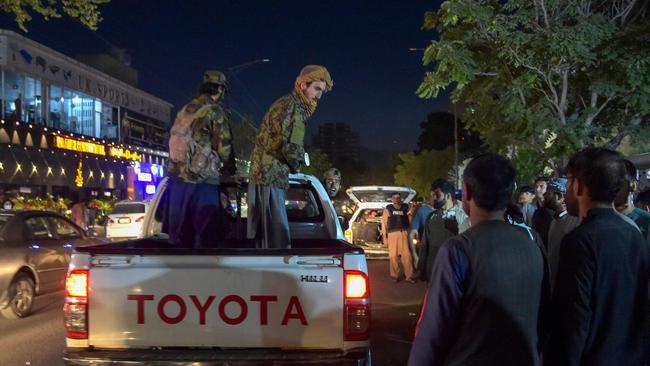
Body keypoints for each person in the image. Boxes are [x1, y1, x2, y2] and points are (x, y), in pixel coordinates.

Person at [409, 154, 548, 366]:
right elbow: (544, 319)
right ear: (510, 193)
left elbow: (432, 333)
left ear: (467, 192)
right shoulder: (532, 245)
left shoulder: (458, 250)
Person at [544, 148, 650, 366]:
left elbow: (574, 320)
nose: (566, 190)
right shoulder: (633, 234)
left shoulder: (580, 240)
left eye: (569, 181)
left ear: (580, 185)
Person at [248, 65, 333, 248]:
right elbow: (291, 148)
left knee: (266, 238)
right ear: (303, 85)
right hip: (270, 177)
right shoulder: (294, 107)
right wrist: (297, 166)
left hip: (266, 175)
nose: (318, 96)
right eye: (317, 89)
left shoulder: (287, 104)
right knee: (276, 238)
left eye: (322, 92)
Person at [163, 70, 236, 248]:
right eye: (223, 91)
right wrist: (229, 171)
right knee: (206, 236)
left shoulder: (185, 110)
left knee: (180, 236)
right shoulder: (215, 111)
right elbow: (224, 146)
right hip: (203, 182)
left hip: (178, 182)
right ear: (219, 88)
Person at [416, 178, 467, 282]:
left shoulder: (461, 216)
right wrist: (421, 268)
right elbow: (425, 243)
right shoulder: (431, 216)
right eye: (432, 195)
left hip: (452, 274)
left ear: (448, 196)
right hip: (432, 272)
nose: (433, 198)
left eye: (437, 195)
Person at [543, 177, 580, 290]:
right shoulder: (554, 221)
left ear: (559, 196)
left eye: (548, 192)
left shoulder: (574, 221)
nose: (544, 195)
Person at [381, 192, 416, 283]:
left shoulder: (405, 207)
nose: (396, 199)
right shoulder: (388, 208)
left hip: (404, 233)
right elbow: (384, 223)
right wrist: (384, 237)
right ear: (392, 199)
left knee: (407, 256)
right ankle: (394, 276)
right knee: (393, 256)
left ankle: (409, 276)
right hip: (392, 234)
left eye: (398, 197)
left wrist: (412, 211)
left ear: (400, 199)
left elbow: (409, 220)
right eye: (394, 198)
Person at [615, 159, 650, 240]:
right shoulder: (597, 221)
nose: (611, 186)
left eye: (617, 182)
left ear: (633, 185)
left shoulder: (646, 222)